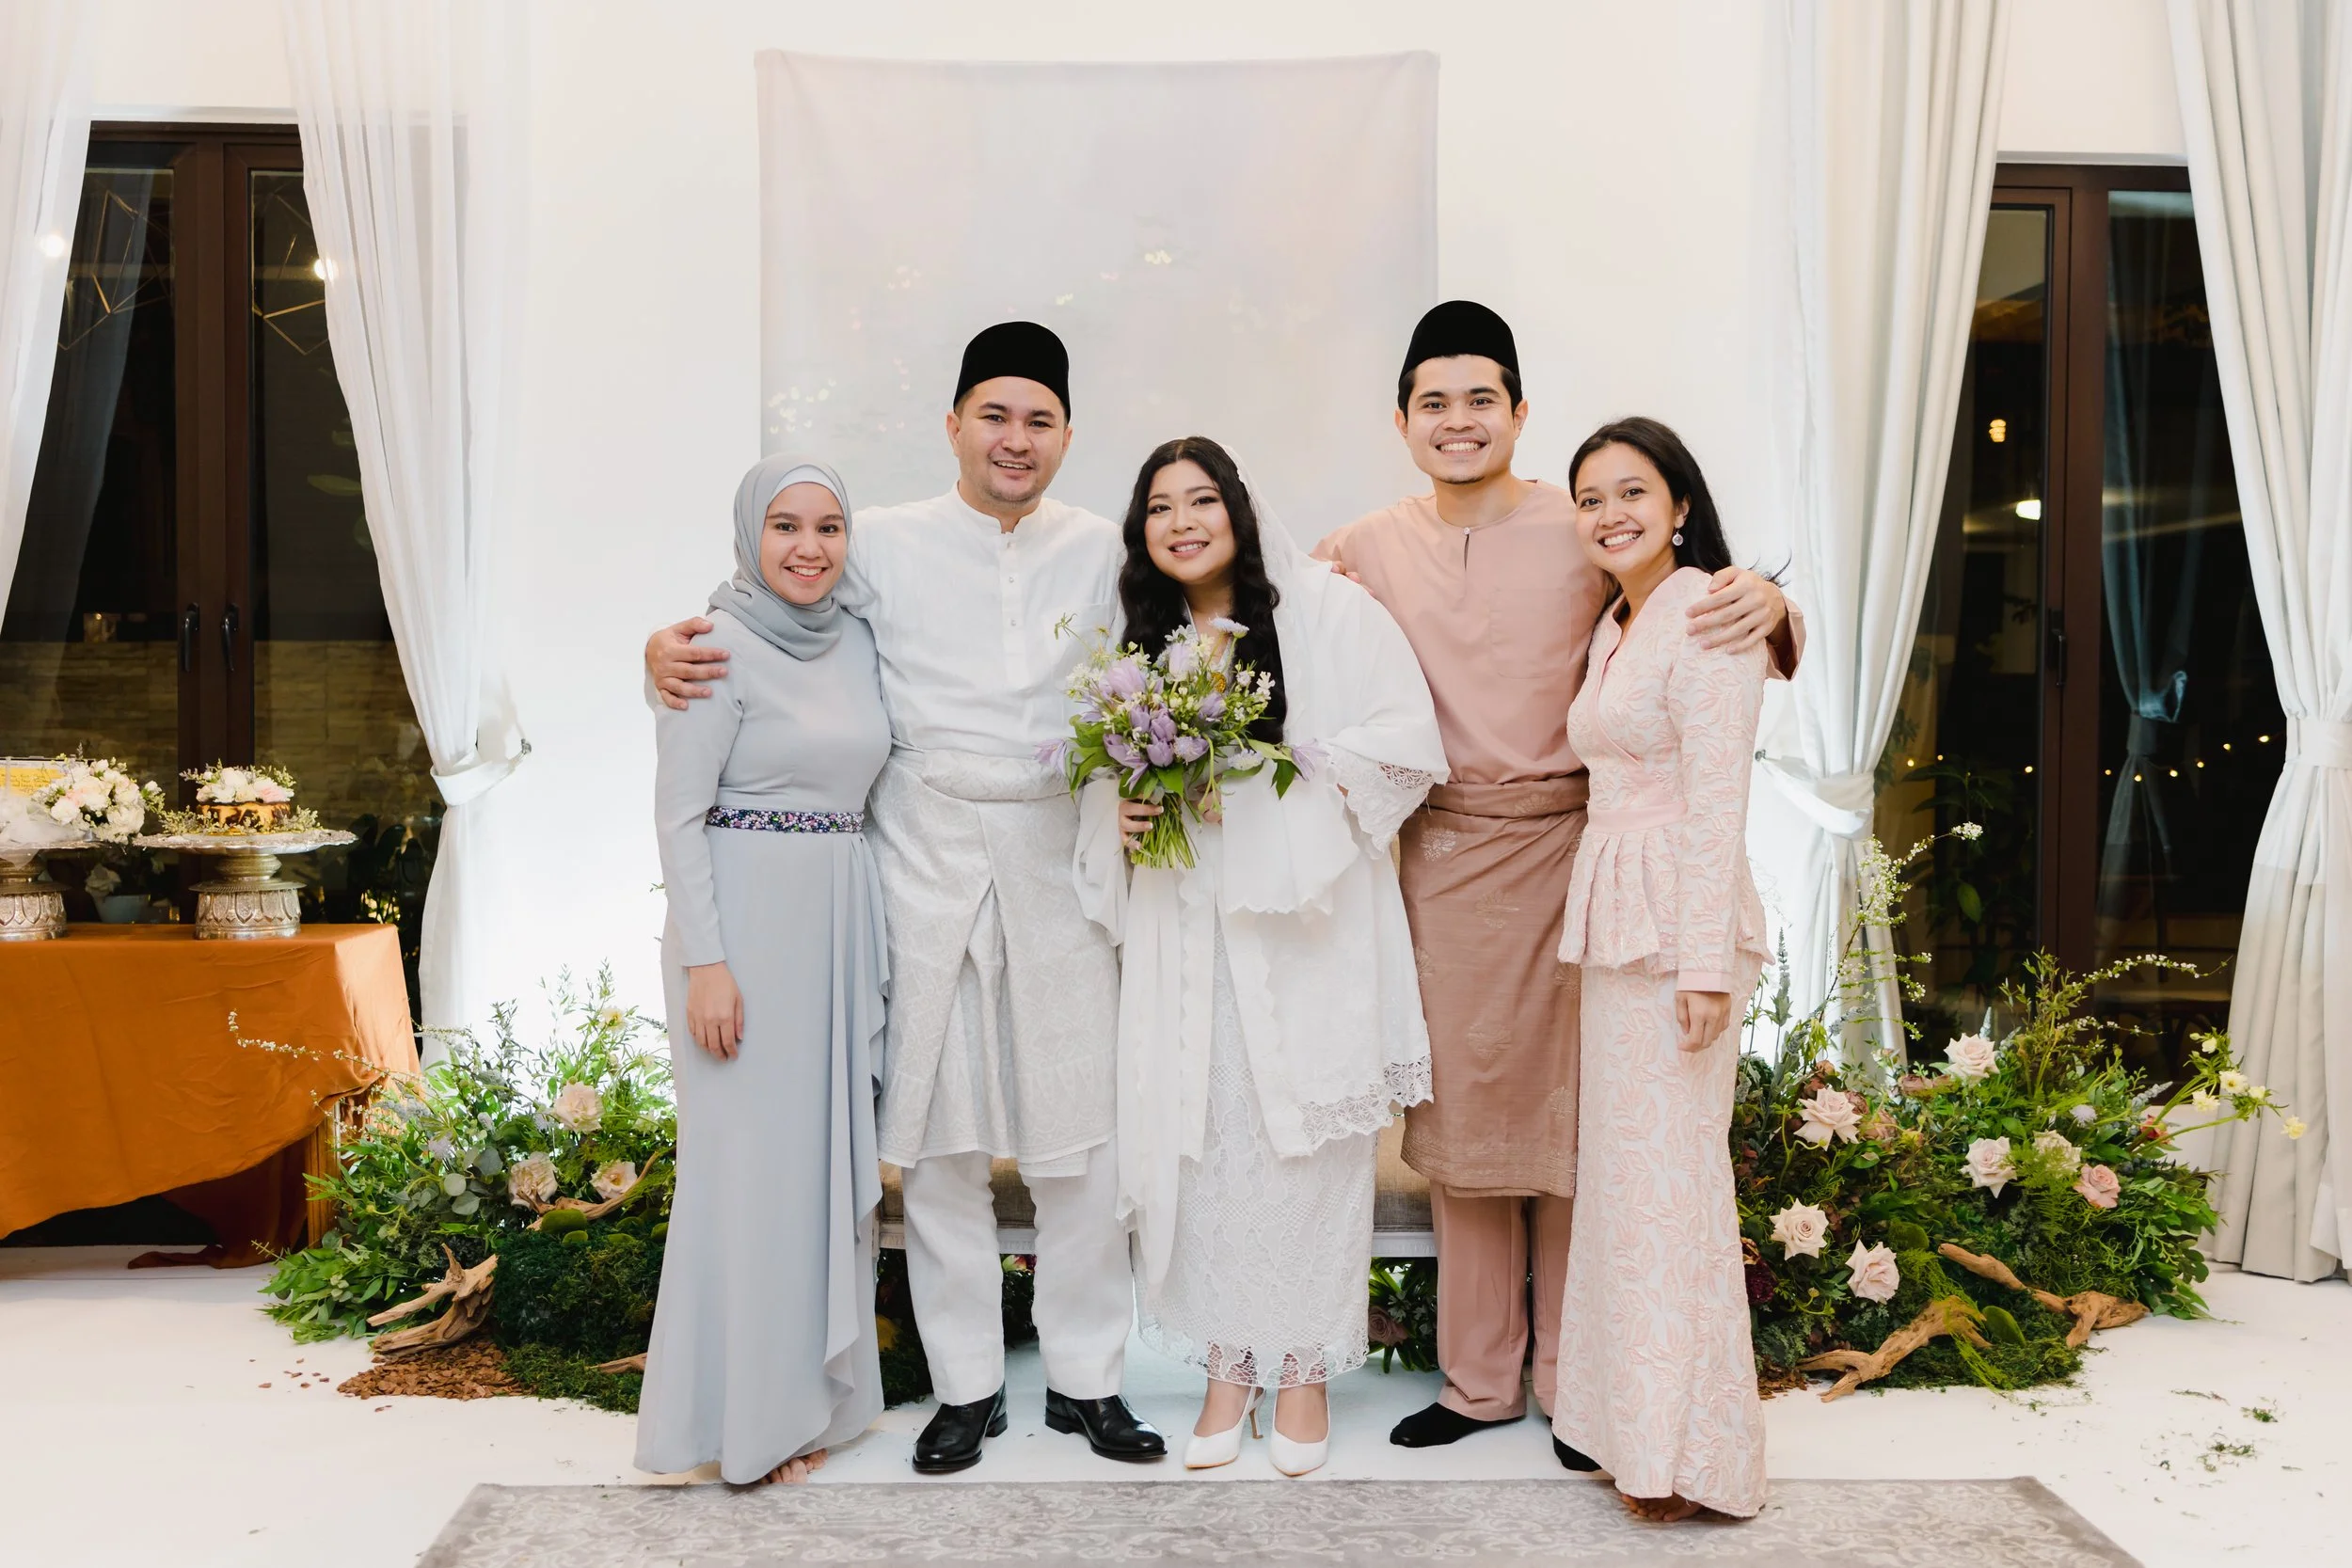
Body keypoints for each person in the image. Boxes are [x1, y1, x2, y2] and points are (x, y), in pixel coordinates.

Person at [644, 323, 1163, 1475]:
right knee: (937, 1145)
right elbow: (774, 601)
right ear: (953, 425)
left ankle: (1087, 1379)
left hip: (1061, 852)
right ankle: (966, 1387)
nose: (1015, 439)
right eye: (995, 415)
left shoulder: (1103, 548)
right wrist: (660, 651)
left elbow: (1208, 607)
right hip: (921, 858)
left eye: (1038, 420)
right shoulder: (878, 537)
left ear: (1066, 434)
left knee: (1082, 1142)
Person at [1313, 301, 1800, 1461]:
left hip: (1581, 860)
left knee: (1582, 1126)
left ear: (1520, 411)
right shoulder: (1363, 544)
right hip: (1443, 862)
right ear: (1401, 421)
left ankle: (1581, 1383)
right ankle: (1479, 1381)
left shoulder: (1581, 525)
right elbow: (1257, 607)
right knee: (1467, 1122)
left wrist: (1778, 603)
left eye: (1481, 398)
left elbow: (1686, 612)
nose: (1459, 420)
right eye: (1434, 402)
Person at [1072, 438, 1446, 1478]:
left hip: (1304, 933)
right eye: (1160, 507)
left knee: (1306, 1149)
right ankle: (1228, 1366)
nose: (1183, 521)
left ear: (1238, 510)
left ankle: (1306, 1368)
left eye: (1202, 499)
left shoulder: (1328, 610)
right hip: (1189, 933)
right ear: (1141, 531)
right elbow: (1100, 787)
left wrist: (1269, 774)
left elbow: (1406, 740)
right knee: (1209, 1142)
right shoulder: (1137, 647)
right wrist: (1123, 812)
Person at [636, 455, 889, 1485]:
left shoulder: (860, 637)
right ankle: (743, 1420)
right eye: (785, 525)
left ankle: (813, 1400)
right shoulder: (710, 647)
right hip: (740, 934)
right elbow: (677, 814)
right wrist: (708, 963)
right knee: (746, 1180)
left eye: (829, 526)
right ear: (750, 534)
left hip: (835, 929)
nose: (808, 547)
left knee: (816, 1175)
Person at [1551, 418, 1772, 1521]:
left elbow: (1719, 796)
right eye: (1589, 497)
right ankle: (1627, 1429)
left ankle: (1692, 1455)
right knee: (1627, 1189)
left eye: (1631, 491)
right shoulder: (1617, 621)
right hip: (1615, 928)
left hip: (1678, 929)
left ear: (1680, 505)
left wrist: (1704, 966)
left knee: (1673, 1190)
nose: (1609, 513)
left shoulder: (1708, 610)